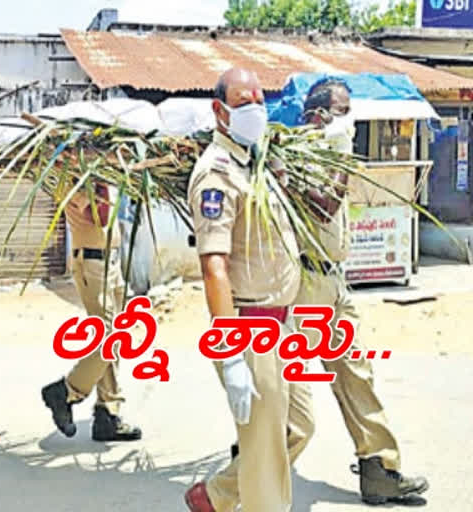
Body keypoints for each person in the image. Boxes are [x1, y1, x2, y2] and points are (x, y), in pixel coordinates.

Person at [292, 78, 429, 504]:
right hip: (307, 285)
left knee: (357, 372)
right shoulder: (300, 157)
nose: (348, 120)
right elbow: (323, 205)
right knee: (288, 393)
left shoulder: (333, 152)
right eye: (341, 110)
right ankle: (246, 467)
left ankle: (380, 469)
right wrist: (342, 160)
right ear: (318, 115)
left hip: (335, 282)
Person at [183, 68, 310, 512]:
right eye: (243, 102)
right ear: (219, 111)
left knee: (300, 427)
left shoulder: (254, 162)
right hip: (251, 330)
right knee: (264, 460)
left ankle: (214, 497)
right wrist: (231, 354)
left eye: (260, 99)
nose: (256, 109)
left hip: (283, 325)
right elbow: (214, 268)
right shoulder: (216, 174)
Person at [40, 180, 142, 442]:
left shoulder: (101, 174)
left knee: (118, 334)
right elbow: (101, 217)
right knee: (108, 336)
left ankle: (108, 412)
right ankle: (66, 391)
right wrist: (102, 182)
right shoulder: (72, 180)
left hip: (112, 260)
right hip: (92, 263)